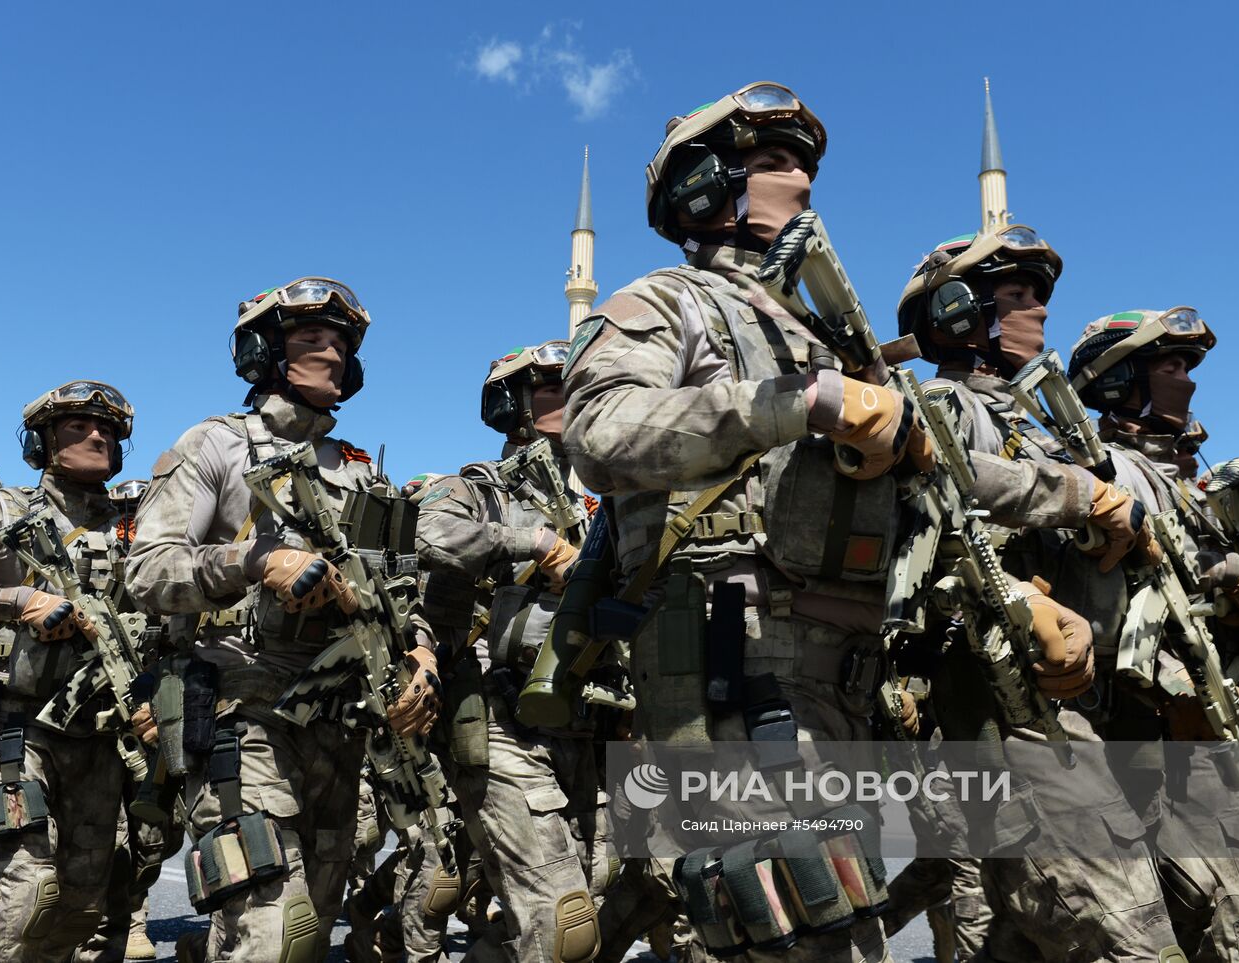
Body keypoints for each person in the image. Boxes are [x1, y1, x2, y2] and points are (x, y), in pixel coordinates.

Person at [563, 80, 939, 962]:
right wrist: (797, 405)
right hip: (734, 684)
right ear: (707, 188)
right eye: (774, 162)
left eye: (806, 163)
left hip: (841, 689)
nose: (801, 181)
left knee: (846, 935)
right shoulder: (669, 301)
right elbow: (598, 432)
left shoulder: (823, 338)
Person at [124, 277, 438, 963]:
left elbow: (403, 594)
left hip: (338, 724)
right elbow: (146, 571)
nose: (331, 350)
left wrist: (422, 655)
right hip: (244, 713)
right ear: (266, 349)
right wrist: (253, 562)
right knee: (275, 935)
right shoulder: (216, 445)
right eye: (310, 335)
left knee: (306, 930)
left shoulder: (363, 476)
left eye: (341, 340)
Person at [895, 233, 1191, 961]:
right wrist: (1080, 499)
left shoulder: (1039, 431)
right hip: (998, 706)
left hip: (1065, 710)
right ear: (962, 312)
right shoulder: (939, 403)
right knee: (1133, 940)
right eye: (1020, 296)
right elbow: (941, 507)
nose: (1041, 311)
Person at [1069, 311, 1239, 958]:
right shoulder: (1097, 472)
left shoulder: (1178, 491)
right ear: (1120, 381)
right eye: (1170, 367)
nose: (1186, 382)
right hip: (1120, 742)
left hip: (1199, 740)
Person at [416, 340, 641, 962]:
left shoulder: (615, 495)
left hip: (595, 720)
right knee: (560, 918)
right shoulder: (478, 486)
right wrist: (535, 542)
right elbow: (435, 534)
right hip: (503, 717)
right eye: (550, 386)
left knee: (598, 886)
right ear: (511, 402)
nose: (569, 395)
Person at [0, 383, 142, 962]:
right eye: (77, 427)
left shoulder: (138, 527)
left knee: (85, 903)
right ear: (41, 443)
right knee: (27, 889)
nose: (96, 436)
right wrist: (18, 601)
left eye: (107, 430)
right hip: (15, 731)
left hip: (103, 736)